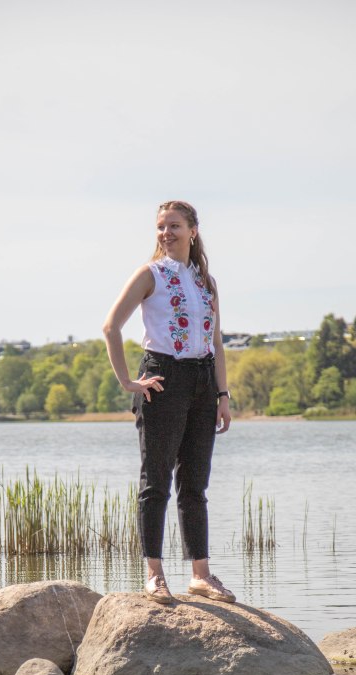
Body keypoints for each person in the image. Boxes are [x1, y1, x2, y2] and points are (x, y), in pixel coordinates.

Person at [102, 200, 235, 605]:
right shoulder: (150, 275)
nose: (166, 233)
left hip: (203, 383)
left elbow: (216, 343)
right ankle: (154, 575)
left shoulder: (205, 282)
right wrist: (128, 381)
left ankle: (201, 575)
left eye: (174, 226)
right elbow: (111, 327)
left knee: (195, 484)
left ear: (193, 230)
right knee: (155, 482)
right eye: (161, 227)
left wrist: (223, 396)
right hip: (162, 379)